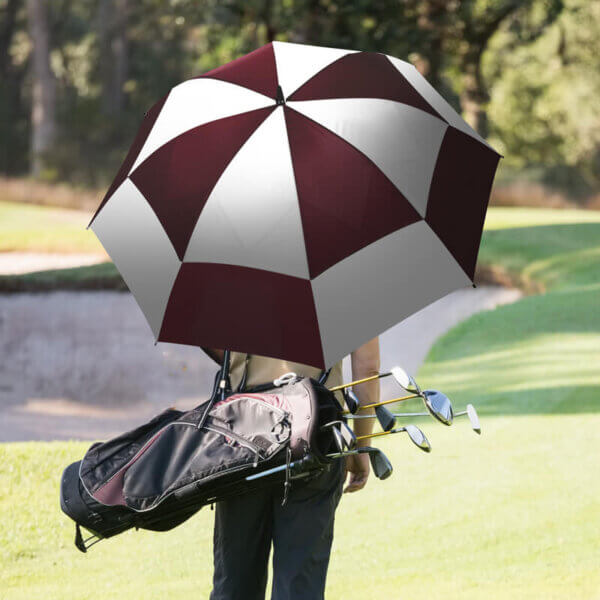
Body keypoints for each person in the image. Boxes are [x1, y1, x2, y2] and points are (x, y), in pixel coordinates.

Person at [206, 337, 380, 600]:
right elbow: (367, 369)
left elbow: (214, 342)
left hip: (242, 431)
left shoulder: (232, 293)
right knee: (300, 585)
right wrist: (361, 447)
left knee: (234, 582)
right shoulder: (354, 293)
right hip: (314, 431)